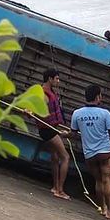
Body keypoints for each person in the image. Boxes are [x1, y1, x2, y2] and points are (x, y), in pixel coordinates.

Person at [66, 84, 110, 220]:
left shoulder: (77, 113)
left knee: (99, 181)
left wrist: (64, 134)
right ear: (97, 96)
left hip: (90, 155)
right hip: (105, 152)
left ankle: (102, 208)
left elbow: (73, 133)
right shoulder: (105, 113)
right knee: (107, 180)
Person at [39, 68, 70, 200]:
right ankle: (60, 190)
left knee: (55, 157)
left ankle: (55, 186)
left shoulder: (51, 93)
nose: (58, 81)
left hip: (52, 127)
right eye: (56, 78)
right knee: (66, 157)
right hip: (47, 130)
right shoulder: (42, 93)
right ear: (50, 79)